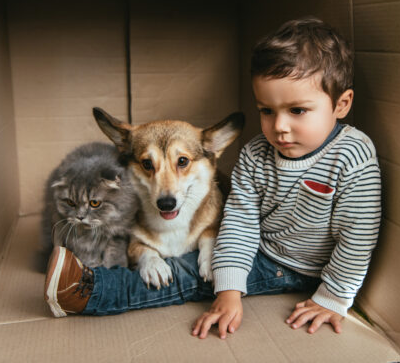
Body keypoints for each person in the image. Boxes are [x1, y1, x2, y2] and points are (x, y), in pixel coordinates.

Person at [44, 17, 381, 339]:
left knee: (186, 278)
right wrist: (230, 285)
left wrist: (333, 297)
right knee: (204, 269)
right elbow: (239, 221)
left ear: (341, 104)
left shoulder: (352, 156)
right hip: (256, 248)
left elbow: (358, 236)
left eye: (297, 111)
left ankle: (94, 292)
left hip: (297, 266)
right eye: (266, 110)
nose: (279, 126)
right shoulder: (255, 153)